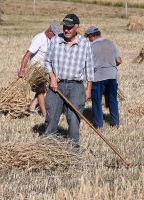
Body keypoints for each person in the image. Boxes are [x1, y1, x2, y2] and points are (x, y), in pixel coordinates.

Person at [44, 14, 94, 150]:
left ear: (77, 28)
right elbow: (47, 61)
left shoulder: (85, 44)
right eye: (65, 27)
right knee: (51, 117)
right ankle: (47, 149)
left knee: (74, 119)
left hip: (76, 87)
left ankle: (73, 152)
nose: (66, 30)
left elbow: (89, 68)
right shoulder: (55, 41)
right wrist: (52, 78)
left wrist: (88, 89)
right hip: (56, 85)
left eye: (69, 28)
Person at [18, 23, 62, 116]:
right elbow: (28, 54)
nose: (56, 37)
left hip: (46, 69)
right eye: (55, 35)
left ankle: (32, 107)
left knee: (44, 88)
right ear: (50, 32)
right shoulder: (39, 39)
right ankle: (45, 113)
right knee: (41, 90)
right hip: (37, 69)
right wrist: (22, 69)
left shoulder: (50, 39)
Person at [85, 26, 122, 129]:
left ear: (92, 36)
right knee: (112, 99)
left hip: (98, 77)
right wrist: (110, 66)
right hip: (112, 76)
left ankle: (98, 125)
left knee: (97, 101)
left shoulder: (91, 46)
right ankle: (115, 123)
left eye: (89, 37)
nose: (89, 39)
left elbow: (87, 63)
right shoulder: (110, 43)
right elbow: (119, 61)